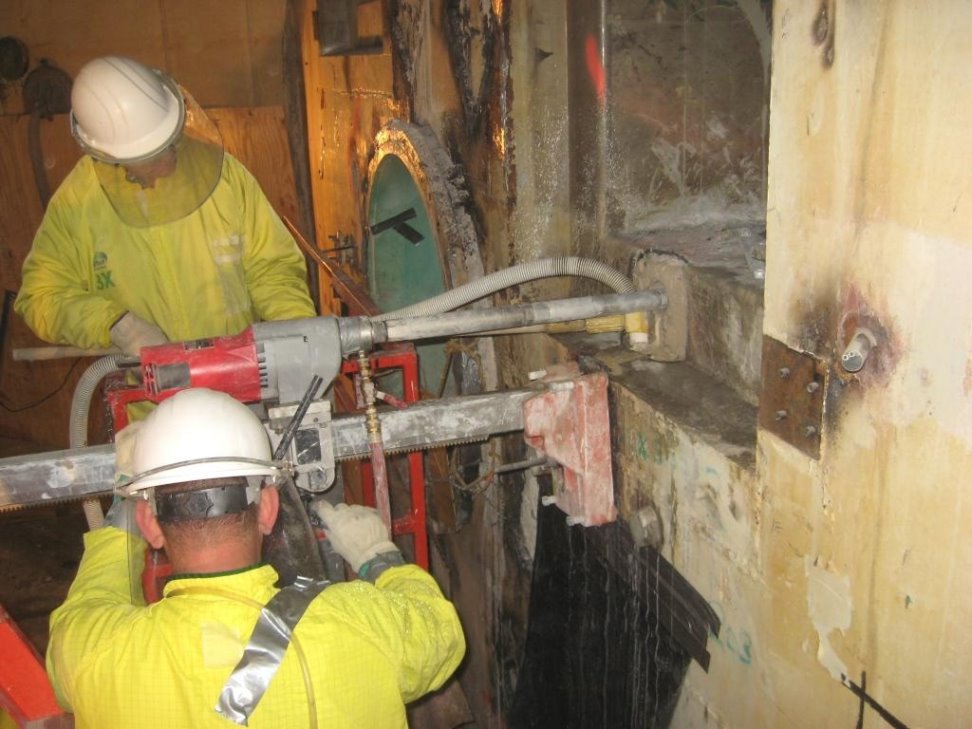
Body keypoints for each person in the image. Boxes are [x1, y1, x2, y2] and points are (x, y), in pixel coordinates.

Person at [46, 388, 466, 728]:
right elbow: (441, 634)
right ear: (267, 508)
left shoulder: (94, 654)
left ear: (149, 525)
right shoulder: (362, 625)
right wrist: (377, 556)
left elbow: (89, 601)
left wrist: (125, 497)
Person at [15, 56, 316, 356]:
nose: (171, 158)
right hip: (151, 399)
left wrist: (300, 337)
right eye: (152, 156)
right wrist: (114, 324)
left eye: (171, 142)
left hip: (239, 384)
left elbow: (272, 268)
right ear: (112, 159)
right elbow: (41, 297)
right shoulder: (78, 203)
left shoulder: (224, 175)